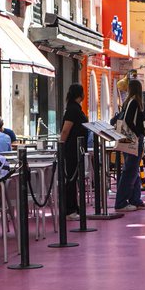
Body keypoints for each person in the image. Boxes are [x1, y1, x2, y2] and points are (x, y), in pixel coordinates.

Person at [114, 77, 145, 211]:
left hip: (125, 138)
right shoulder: (135, 102)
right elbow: (129, 120)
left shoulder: (127, 102)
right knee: (129, 171)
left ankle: (135, 199)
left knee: (132, 170)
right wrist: (139, 132)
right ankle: (121, 202)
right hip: (133, 139)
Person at [58, 83, 88, 220]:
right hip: (71, 149)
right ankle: (69, 210)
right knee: (70, 178)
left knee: (73, 178)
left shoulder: (74, 108)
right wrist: (61, 146)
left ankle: (74, 207)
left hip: (76, 147)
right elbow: (66, 129)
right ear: (80, 94)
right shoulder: (73, 110)